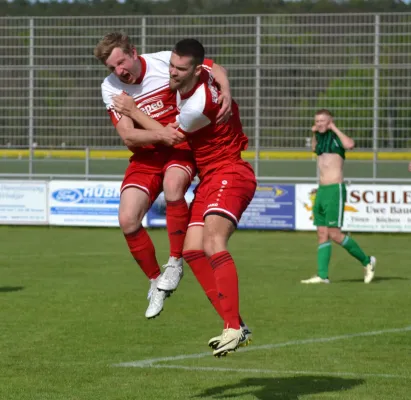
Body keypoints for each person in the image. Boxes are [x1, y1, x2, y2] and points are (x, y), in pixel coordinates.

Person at [115, 39, 256, 358]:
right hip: (209, 176)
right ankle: (235, 323)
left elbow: (169, 135)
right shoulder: (205, 75)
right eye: (172, 67)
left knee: (213, 243)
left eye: (180, 70)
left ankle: (233, 328)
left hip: (230, 171)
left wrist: (133, 110)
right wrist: (227, 84)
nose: (173, 74)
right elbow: (217, 66)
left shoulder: (197, 104)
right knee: (193, 251)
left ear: (195, 70)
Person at [94, 32, 233, 319]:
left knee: (173, 185)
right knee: (126, 218)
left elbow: (213, 67)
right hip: (146, 156)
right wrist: (161, 133)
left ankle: (175, 262)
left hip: (179, 151)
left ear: (133, 52)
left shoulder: (163, 63)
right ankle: (156, 281)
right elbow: (129, 137)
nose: (119, 71)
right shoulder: (109, 87)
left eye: (121, 62)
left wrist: (227, 92)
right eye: (112, 68)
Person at [301, 109, 376, 284]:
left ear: (330, 121)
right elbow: (314, 149)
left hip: (335, 190)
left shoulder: (335, 137)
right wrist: (313, 134)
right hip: (321, 190)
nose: (319, 123)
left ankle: (367, 261)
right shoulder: (319, 138)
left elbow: (350, 144)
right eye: (317, 121)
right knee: (322, 233)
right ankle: (322, 275)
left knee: (334, 234)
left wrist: (334, 128)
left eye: (323, 121)